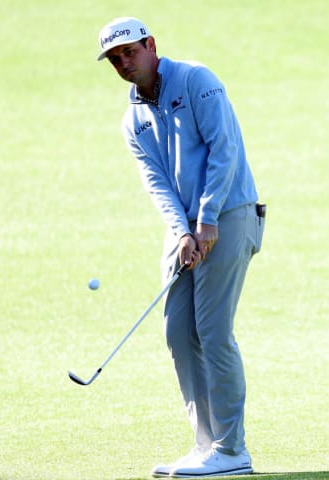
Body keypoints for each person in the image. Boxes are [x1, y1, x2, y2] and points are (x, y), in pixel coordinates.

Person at [96, 17, 264, 478]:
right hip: (186, 229)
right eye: (114, 59)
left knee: (212, 332)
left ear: (151, 45)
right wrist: (183, 231)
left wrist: (207, 219)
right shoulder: (133, 118)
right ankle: (206, 445)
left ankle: (232, 449)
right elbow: (156, 183)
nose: (123, 63)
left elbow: (224, 149)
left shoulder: (197, 80)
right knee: (178, 333)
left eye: (129, 52)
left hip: (229, 214)